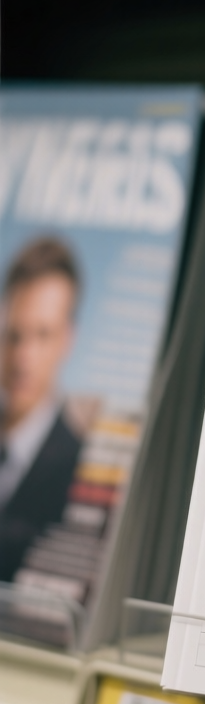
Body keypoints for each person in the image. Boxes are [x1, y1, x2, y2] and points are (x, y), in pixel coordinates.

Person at [0, 238, 84, 583]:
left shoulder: (78, 467)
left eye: (43, 335)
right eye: (14, 334)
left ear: (66, 340)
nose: (24, 357)